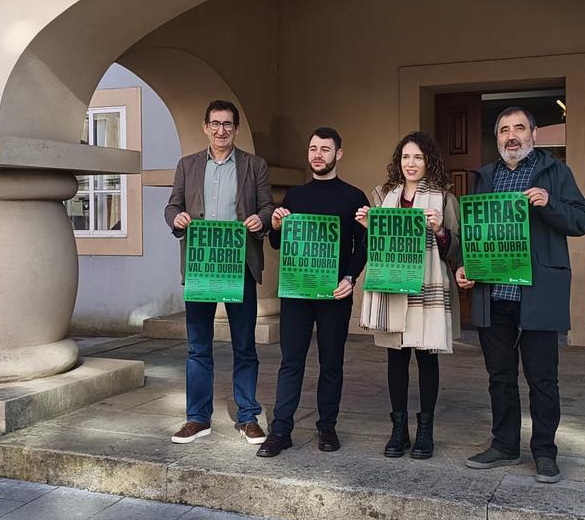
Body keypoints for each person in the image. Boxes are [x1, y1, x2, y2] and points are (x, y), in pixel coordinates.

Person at [456, 107, 585, 483]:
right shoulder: (485, 177)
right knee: (499, 376)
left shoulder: (555, 173)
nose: (511, 136)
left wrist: (550, 204)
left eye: (519, 128)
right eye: (503, 130)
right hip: (493, 291)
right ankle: (504, 446)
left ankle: (545, 452)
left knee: (542, 378)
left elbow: (582, 220)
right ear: (497, 138)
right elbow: (473, 229)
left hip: (538, 293)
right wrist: (465, 265)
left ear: (534, 134)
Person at [165, 100, 274, 446]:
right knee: (198, 347)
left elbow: (268, 207)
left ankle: (247, 417)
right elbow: (173, 205)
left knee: (245, 346)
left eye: (227, 124)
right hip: (201, 264)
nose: (221, 130)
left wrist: (262, 220)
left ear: (236, 129)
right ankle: (197, 418)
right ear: (205, 127)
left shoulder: (254, 166)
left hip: (239, 264)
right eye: (215, 123)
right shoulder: (188, 165)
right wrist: (176, 219)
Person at [256, 127, 369, 457]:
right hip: (297, 293)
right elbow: (280, 243)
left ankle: (327, 427)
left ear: (339, 154)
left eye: (325, 149)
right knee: (291, 361)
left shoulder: (354, 196)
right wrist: (275, 227)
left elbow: (362, 245)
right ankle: (281, 430)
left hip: (334, 293)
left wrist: (351, 277)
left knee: (331, 362)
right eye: (313, 148)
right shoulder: (295, 196)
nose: (318, 154)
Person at [355, 131, 461, 460]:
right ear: (398, 162)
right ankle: (398, 429)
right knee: (395, 358)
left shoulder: (444, 197)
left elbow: (455, 248)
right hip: (392, 286)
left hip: (427, 285)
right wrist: (369, 225)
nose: (410, 163)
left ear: (428, 161)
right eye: (405, 157)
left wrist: (440, 230)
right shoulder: (383, 194)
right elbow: (379, 245)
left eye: (417, 157)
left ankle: (425, 430)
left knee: (426, 357)